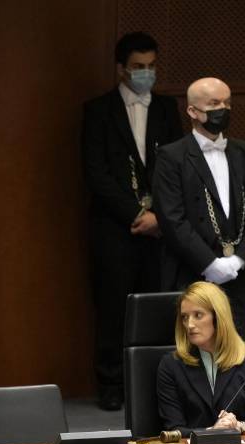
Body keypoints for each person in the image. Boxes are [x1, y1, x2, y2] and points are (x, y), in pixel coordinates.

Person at [80, 31, 184, 410]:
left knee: (158, 308)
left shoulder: (167, 110)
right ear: (121, 68)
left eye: (151, 66)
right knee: (113, 309)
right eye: (138, 67)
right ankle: (111, 386)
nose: (146, 73)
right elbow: (97, 174)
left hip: (160, 230)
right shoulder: (98, 110)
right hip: (115, 227)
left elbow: (177, 167)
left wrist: (159, 217)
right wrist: (137, 213)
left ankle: (156, 384)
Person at [153, 77, 245, 340]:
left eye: (227, 103)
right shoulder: (172, 157)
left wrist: (240, 259)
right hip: (191, 273)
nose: (223, 109)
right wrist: (210, 263)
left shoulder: (244, 152)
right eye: (214, 103)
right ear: (193, 111)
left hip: (236, 275)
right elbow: (172, 219)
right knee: (195, 357)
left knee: (239, 353)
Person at [156, 281, 245, 435]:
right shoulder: (171, 365)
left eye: (198, 315)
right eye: (184, 317)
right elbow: (173, 428)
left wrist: (239, 425)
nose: (189, 324)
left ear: (218, 317)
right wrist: (211, 432)